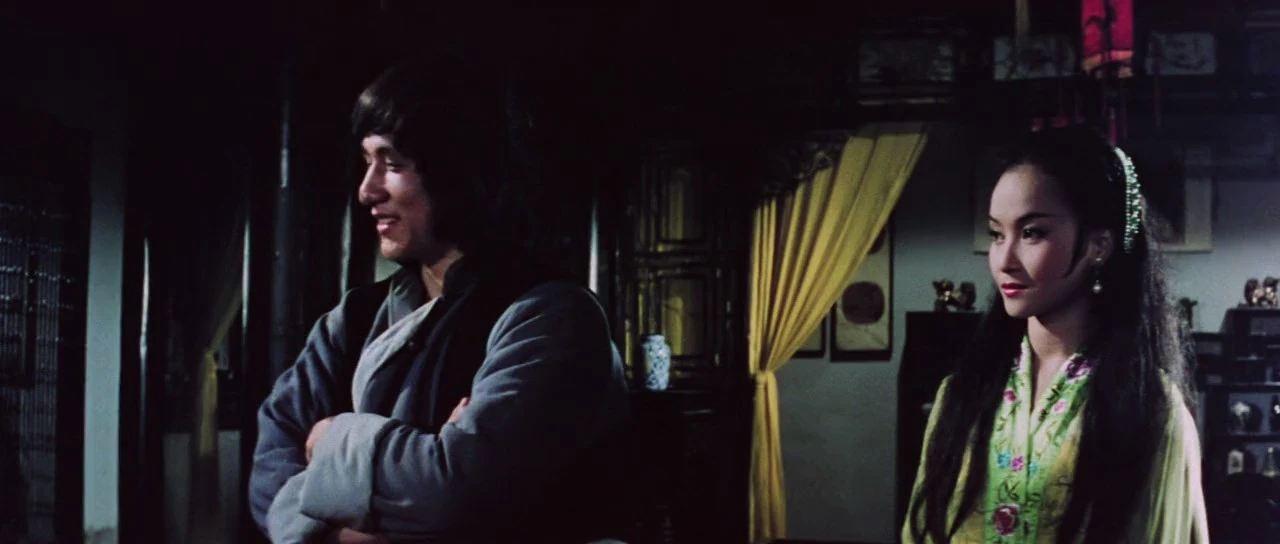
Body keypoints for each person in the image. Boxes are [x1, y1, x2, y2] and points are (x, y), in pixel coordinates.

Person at [248, 54, 631, 544]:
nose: (367, 191)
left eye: (392, 164)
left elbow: (457, 492)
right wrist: (356, 533)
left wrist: (328, 441)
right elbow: (268, 477)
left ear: (458, 171)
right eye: (367, 162)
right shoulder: (351, 320)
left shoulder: (550, 317)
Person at [903, 125, 1208, 542]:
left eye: (1032, 233)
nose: (1004, 260)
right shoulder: (961, 396)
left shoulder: (1150, 410)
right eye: (997, 234)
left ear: (1098, 245)